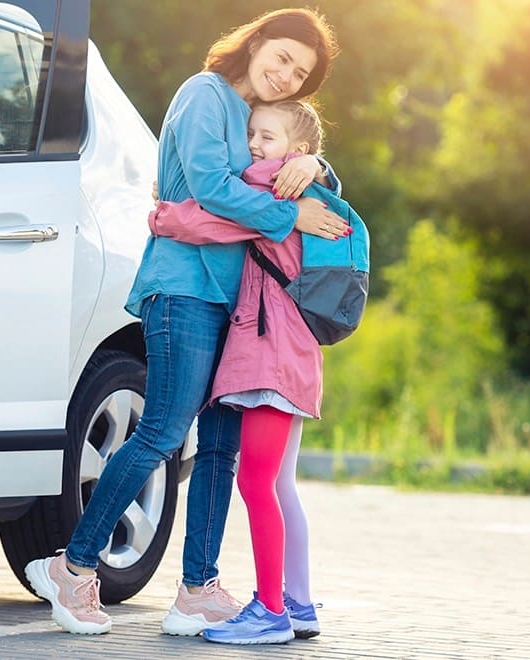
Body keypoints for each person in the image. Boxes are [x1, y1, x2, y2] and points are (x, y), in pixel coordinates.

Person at [24, 8, 344, 637]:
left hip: (241, 308)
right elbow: (214, 188)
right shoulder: (205, 95)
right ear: (255, 43)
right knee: (163, 429)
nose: (285, 75)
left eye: (300, 73)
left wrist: (317, 171)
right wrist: (289, 215)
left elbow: (265, 174)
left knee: (219, 451)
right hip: (185, 290)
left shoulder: (260, 122)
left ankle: (198, 588)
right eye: (281, 57)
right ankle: (74, 564)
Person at [148, 100, 351, 644]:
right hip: (295, 356)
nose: (255, 146)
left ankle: (269, 611)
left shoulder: (272, 185)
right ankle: (298, 602)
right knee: (280, 484)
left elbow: (214, 218)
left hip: (270, 357)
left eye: (266, 135)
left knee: (255, 481)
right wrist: (319, 167)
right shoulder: (311, 188)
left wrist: (163, 215)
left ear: (297, 152)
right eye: (251, 135)